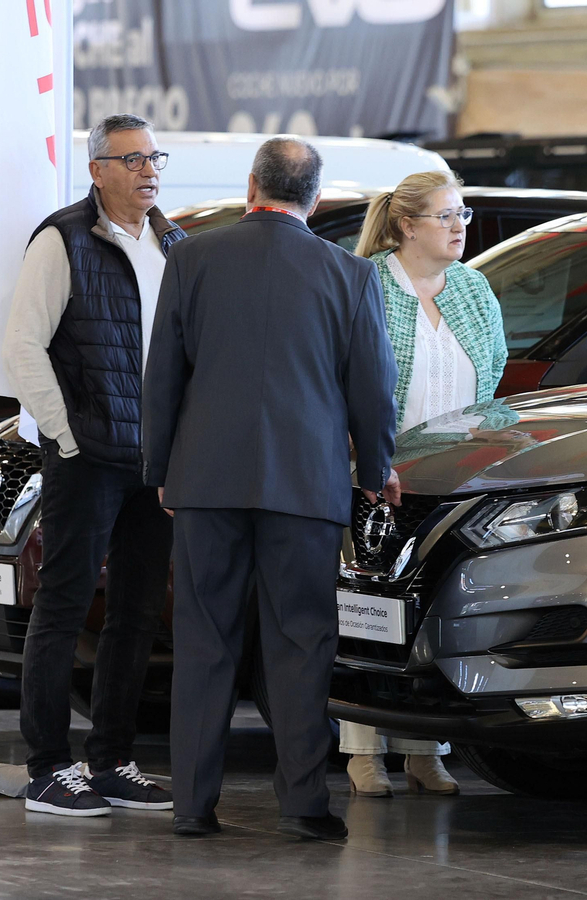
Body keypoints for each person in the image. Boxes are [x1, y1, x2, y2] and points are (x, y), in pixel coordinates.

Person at [142, 137, 398, 841]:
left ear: (251, 183)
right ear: (314, 197)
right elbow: (373, 391)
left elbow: (163, 373)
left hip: (205, 480)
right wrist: (374, 474)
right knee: (301, 642)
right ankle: (303, 807)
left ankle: (192, 806)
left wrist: (162, 469)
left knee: (204, 641)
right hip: (306, 485)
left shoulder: (192, 258)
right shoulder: (349, 273)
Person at [4, 113, 186, 817]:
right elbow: (23, 346)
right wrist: (65, 436)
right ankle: (48, 767)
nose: (149, 170)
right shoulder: (63, 238)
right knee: (63, 606)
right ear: (97, 170)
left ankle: (111, 758)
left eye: (155, 157)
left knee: (138, 612)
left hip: (155, 459)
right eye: (133, 159)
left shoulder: (174, 243)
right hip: (88, 455)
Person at [340, 170, 507, 797]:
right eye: (445, 215)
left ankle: (424, 748)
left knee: (431, 612)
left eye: (463, 213)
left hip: (452, 480)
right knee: (367, 612)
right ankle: (362, 749)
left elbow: (490, 378)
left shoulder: (474, 289)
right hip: (374, 474)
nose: (459, 226)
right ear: (407, 224)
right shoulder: (369, 283)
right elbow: (343, 376)